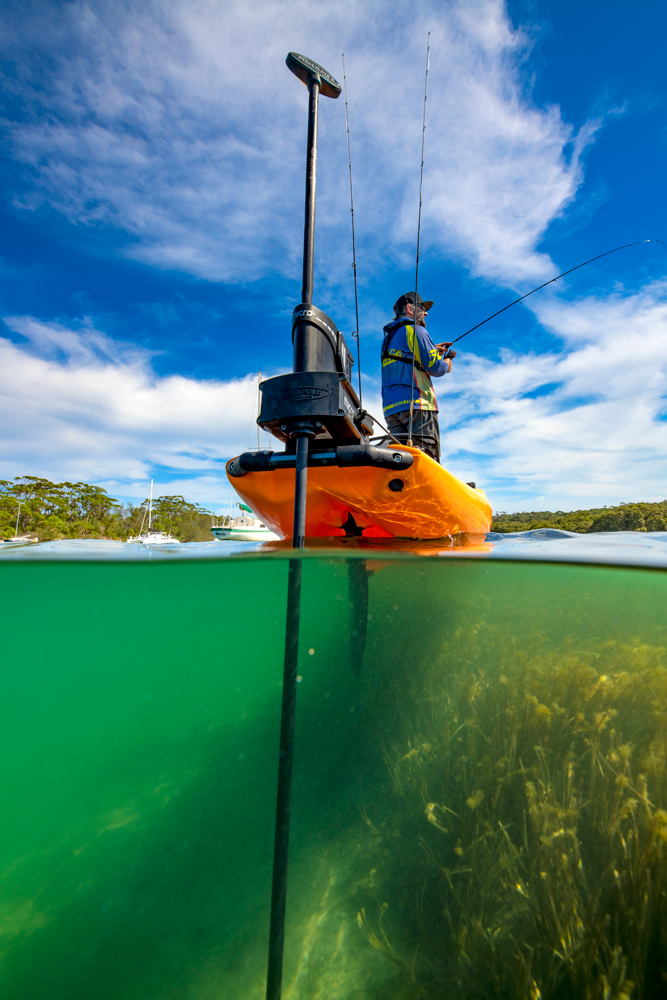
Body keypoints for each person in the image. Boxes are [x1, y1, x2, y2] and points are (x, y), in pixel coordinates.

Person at [380, 291, 454, 462]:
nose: (426, 312)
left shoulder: (388, 339)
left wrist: (432, 348)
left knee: (400, 463)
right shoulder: (416, 330)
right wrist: (448, 360)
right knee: (425, 461)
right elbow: (437, 368)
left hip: (392, 410)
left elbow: (405, 359)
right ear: (410, 309)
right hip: (418, 407)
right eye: (422, 308)